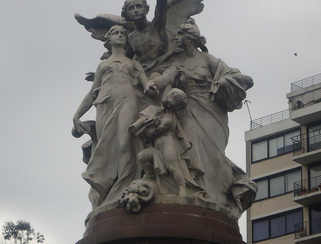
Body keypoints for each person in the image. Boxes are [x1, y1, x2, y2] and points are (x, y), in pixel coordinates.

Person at [145, 18, 257, 217]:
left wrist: (221, 83)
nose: (176, 38)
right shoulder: (177, 63)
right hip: (187, 111)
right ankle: (199, 191)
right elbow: (165, 78)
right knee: (192, 148)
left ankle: (224, 195)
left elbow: (233, 74)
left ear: (189, 38)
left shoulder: (207, 59)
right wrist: (154, 84)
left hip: (211, 110)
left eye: (179, 34)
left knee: (214, 153)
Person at [72, 25, 156, 209]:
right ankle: (108, 188)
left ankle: (125, 187)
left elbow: (145, 81)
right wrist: (77, 115)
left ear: (126, 40)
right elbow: (91, 92)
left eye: (122, 33)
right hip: (105, 104)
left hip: (128, 100)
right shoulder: (103, 65)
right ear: (108, 40)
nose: (119, 35)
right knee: (105, 144)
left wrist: (150, 86)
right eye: (115, 33)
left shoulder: (133, 63)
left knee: (125, 143)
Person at [131, 88, 202, 197]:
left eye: (167, 97)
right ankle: (149, 174)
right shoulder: (160, 112)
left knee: (173, 167)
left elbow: (156, 132)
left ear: (171, 103)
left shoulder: (169, 118)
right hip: (156, 148)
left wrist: (144, 132)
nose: (164, 98)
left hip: (168, 147)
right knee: (141, 157)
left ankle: (182, 188)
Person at [122, 0, 170, 72]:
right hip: (142, 76)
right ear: (127, 15)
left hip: (162, 71)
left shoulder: (157, 26)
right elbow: (122, 60)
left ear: (146, 9)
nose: (136, 10)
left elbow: (161, 2)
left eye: (139, 6)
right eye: (131, 8)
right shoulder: (131, 37)